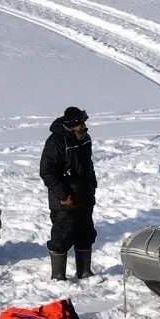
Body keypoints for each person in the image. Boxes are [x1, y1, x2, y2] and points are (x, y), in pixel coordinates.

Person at [40, 106, 98, 281]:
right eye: (81, 124)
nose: (84, 127)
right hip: (64, 198)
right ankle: (58, 275)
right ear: (72, 124)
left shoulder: (85, 139)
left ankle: (85, 271)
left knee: (86, 232)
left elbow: (88, 164)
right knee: (62, 234)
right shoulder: (56, 141)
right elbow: (47, 172)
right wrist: (63, 195)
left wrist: (92, 185)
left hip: (84, 194)